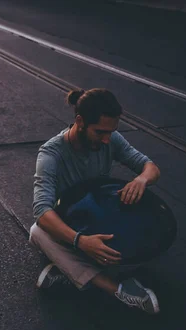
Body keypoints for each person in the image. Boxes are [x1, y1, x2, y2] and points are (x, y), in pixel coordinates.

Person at [30, 88, 162, 314]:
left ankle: (66, 273)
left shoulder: (110, 139)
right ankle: (120, 290)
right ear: (80, 121)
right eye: (100, 132)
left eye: (111, 132)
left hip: (100, 219)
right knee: (37, 232)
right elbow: (42, 212)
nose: (107, 139)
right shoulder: (51, 155)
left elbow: (151, 168)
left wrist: (141, 180)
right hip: (70, 228)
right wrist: (81, 241)